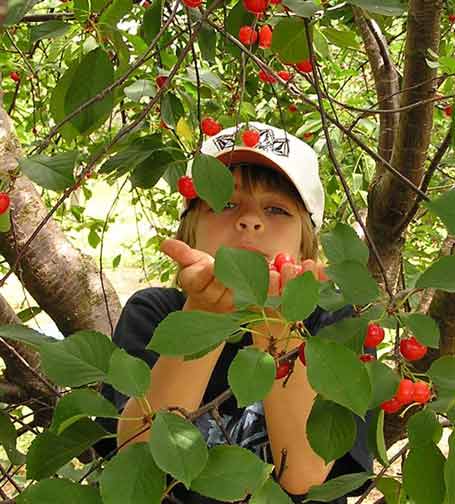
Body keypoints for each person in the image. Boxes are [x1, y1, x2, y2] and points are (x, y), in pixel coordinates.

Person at [94, 122, 373, 503]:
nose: (250, 221)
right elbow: (143, 466)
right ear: (190, 231)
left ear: (306, 247)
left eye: (276, 209)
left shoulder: (337, 325)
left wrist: (277, 321)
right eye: (225, 203)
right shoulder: (156, 315)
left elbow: (305, 476)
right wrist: (206, 313)